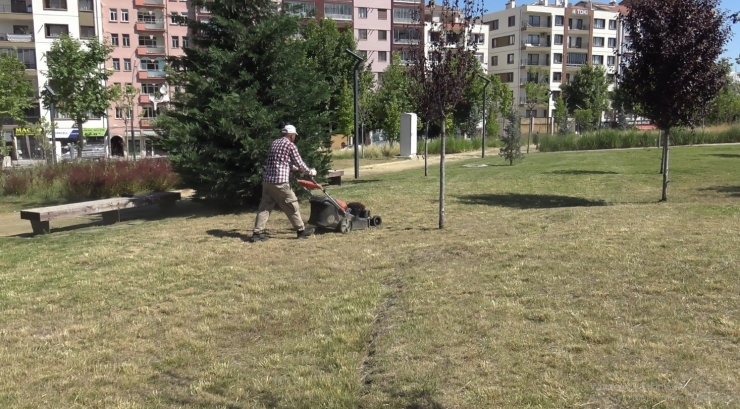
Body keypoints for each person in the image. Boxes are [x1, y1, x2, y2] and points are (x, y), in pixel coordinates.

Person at [249, 125, 317, 242]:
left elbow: (282, 161)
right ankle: (301, 231)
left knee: (264, 207)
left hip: (268, 181)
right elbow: (299, 162)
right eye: (294, 135)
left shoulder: (274, 143)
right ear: (291, 135)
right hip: (280, 182)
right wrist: (310, 171)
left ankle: (257, 233)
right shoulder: (290, 145)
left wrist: (294, 169)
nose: (295, 137)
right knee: (292, 205)